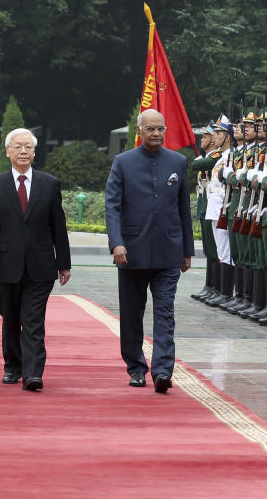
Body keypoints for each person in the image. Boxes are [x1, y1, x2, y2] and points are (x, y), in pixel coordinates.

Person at [105, 108, 194, 394]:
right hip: (131, 252)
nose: (156, 134)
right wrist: (117, 242)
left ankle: (163, 370)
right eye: (150, 129)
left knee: (165, 312)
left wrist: (187, 250)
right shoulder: (123, 162)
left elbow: (183, 209)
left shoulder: (178, 162)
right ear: (139, 131)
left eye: (160, 129)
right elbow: (112, 207)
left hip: (169, 251)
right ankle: (136, 367)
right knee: (132, 314)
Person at [0, 128, 71, 391]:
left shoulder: (49, 183)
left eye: (28, 147)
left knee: (33, 319)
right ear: (7, 151)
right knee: (10, 317)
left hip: (41, 265)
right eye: (18, 147)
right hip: (7, 264)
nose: (23, 151)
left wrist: (63, 263)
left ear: (34, 152)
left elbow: (58, 226)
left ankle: (33, 374)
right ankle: (13, 366)